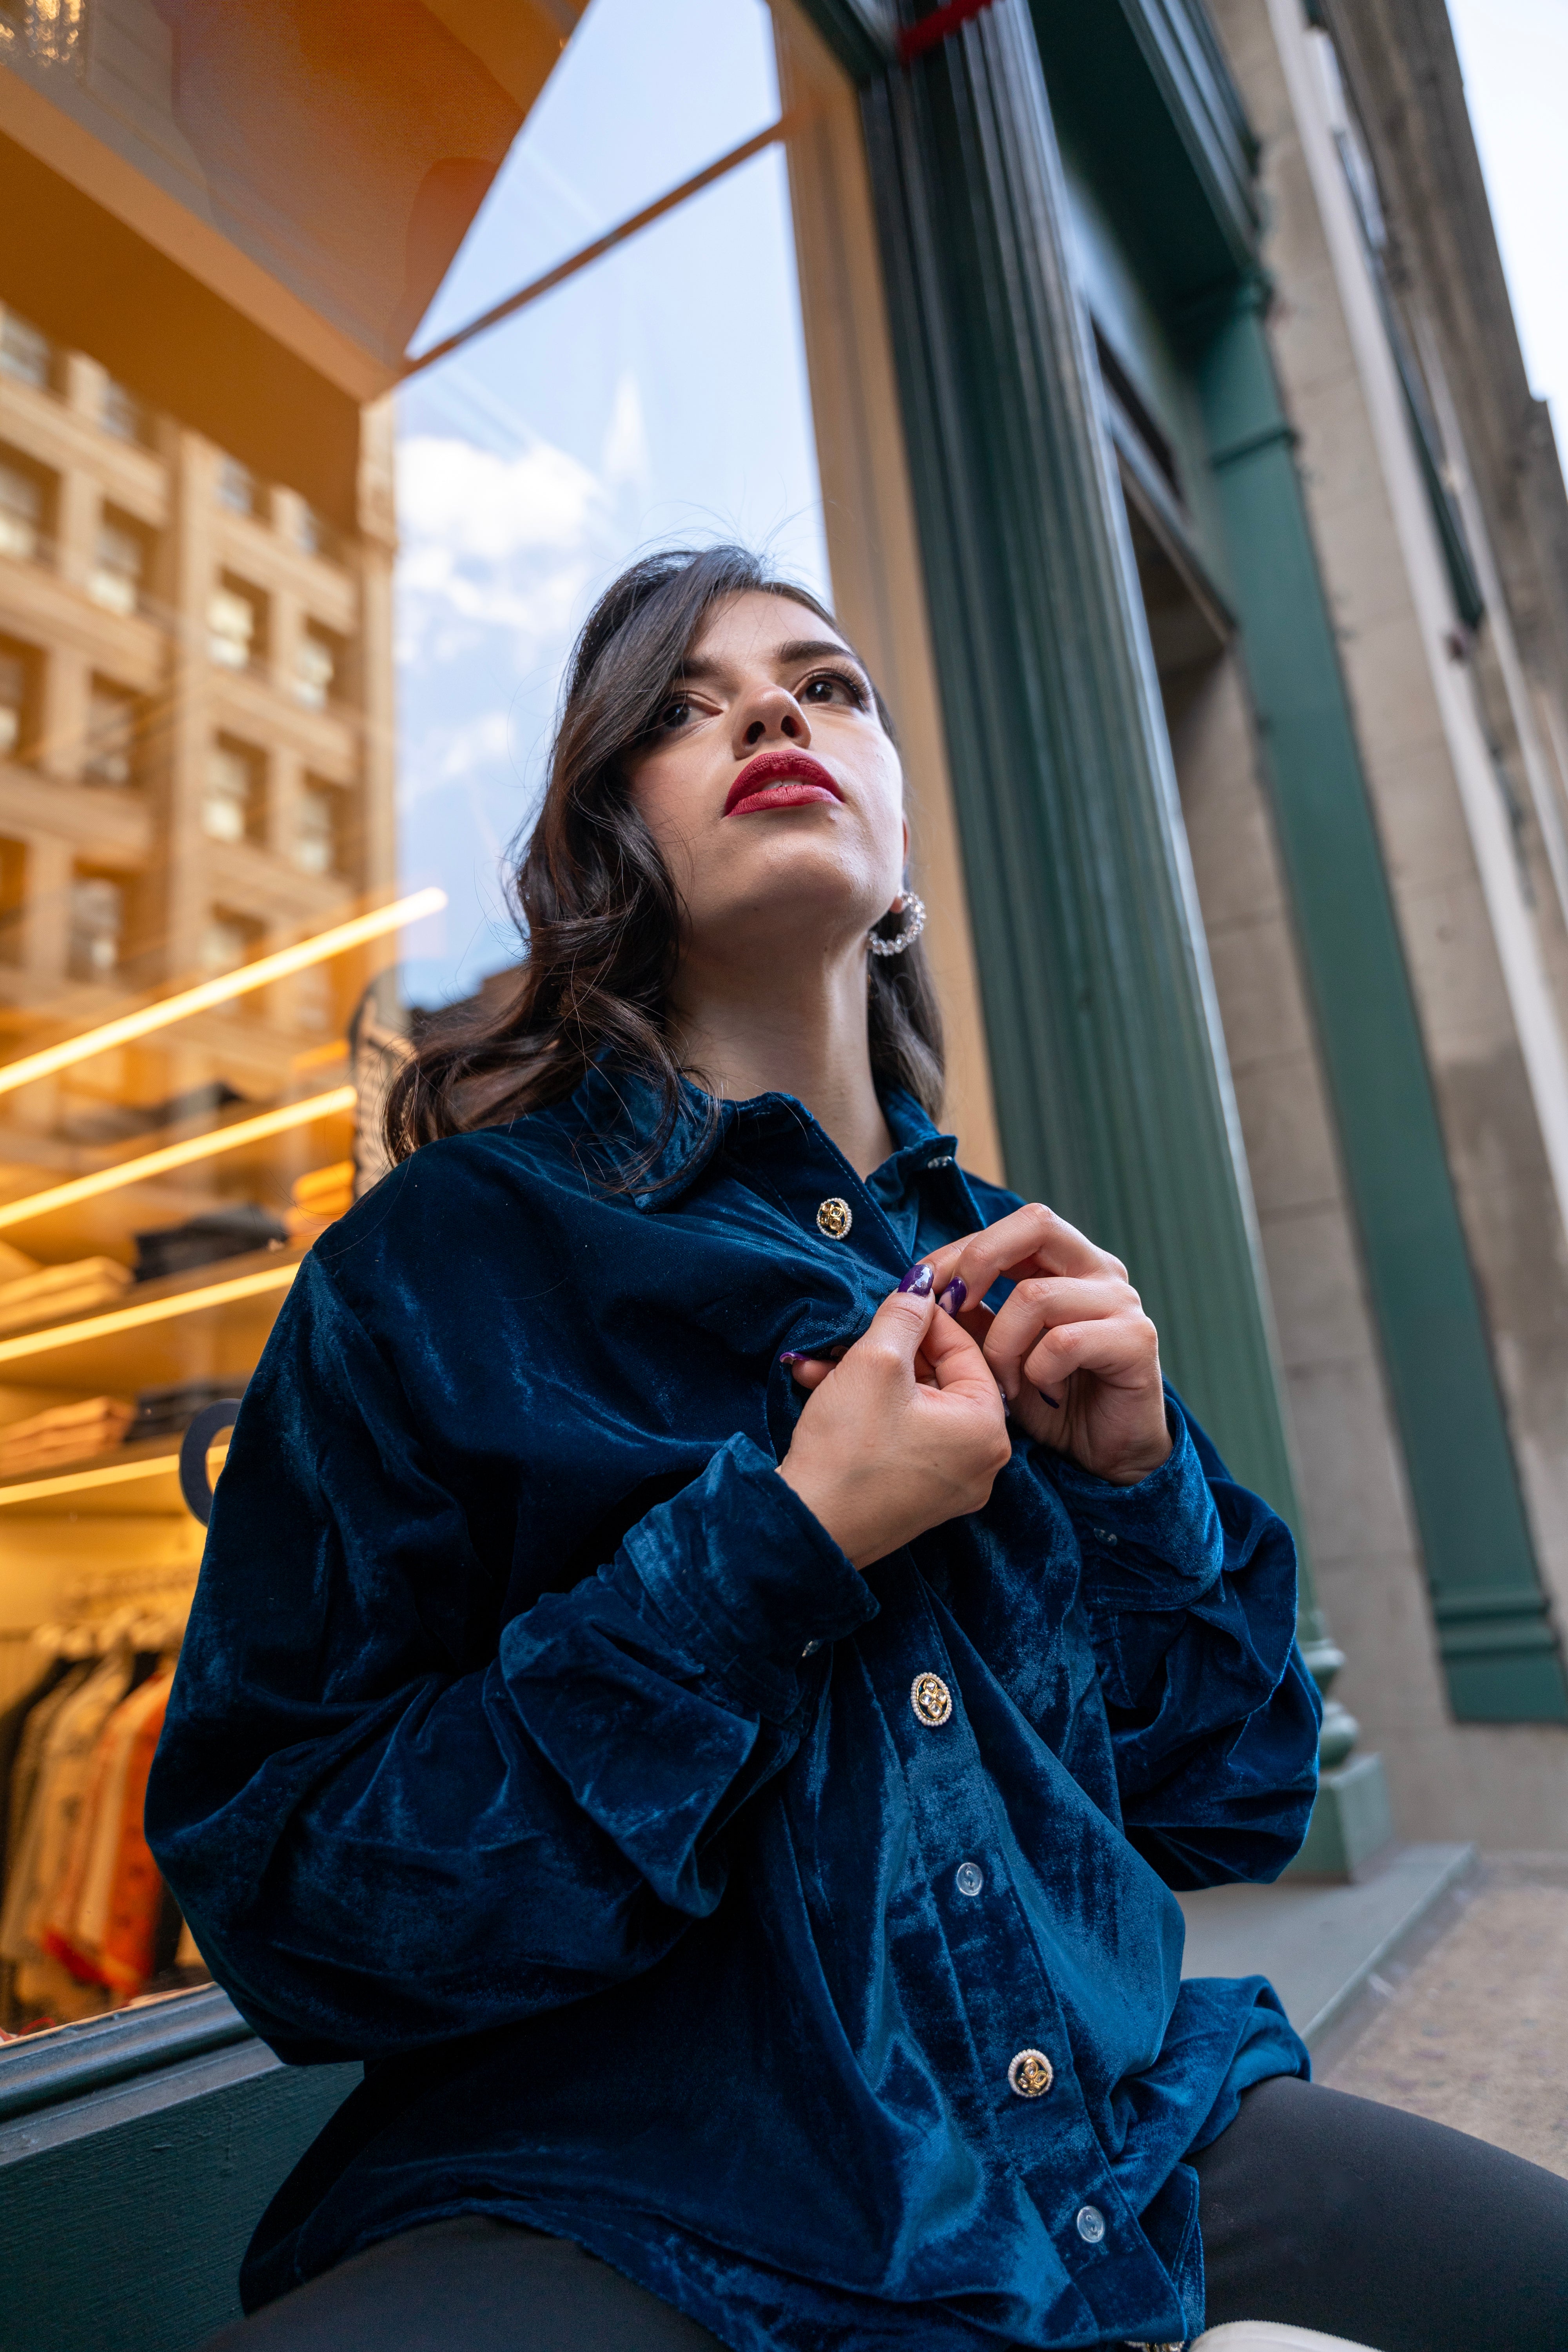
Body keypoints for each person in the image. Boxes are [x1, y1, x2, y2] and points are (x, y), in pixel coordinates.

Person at [147, 546, 1568, 2352]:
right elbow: (293, 1901)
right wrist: (778, 1550)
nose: (767, 713)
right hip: (633, 2208)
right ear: (612, 845)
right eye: (680, 707)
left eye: (826, 687)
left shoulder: (1004, 1266)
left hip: (1116, 2159)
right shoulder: (436, 1273)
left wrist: (1138, 1493)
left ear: (895, 854)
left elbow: (1232, 1799)